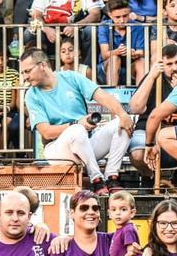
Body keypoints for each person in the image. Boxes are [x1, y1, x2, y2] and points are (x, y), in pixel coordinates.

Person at [21, 49, 132, 195]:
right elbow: (46, 132)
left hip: (86, 144)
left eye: (27, 71)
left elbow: (103, 96)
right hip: (58, 151)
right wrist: (76, 123)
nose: (25, 77)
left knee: (123, 122)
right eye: (23, 73)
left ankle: (111, 177)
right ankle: (97, 180)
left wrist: (123, 115)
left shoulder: (70, 77)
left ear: (42, 65)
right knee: (77, 130)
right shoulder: (31, 95)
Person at [127, 44, 177, 178]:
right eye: (169, 64)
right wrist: (151, 76)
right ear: (162, 64)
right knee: (137, 154)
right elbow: (135, 108)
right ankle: (151, 177)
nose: (174, 67)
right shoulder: (154, 79)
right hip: (147, 132)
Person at [96, 0, 146, 86]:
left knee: (141, 62)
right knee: (115, 58)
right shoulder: (104, 26)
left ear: (129, 12)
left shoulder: (138, 26)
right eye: (117, 17)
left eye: (125, 16)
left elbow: (141, 52)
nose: (122, 20)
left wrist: (133, 53)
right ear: (110, 15)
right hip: (107, 68)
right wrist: (117, 52)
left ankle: (140, 94)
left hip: (129, 69)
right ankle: (112, 95)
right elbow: (104, 54)